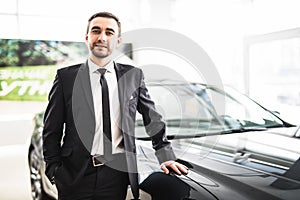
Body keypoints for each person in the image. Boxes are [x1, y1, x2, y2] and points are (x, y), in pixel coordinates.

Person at [42, 11, 188, 200]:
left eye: (109, 32)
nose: (102, 37)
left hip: (116, 177)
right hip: (74, 176)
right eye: (96, 31)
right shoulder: (66, 77)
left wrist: (165, 155)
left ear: (118, 40)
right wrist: (54, 169)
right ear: (87, 37)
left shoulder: (133, 76)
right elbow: (51, 129)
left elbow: (152, 117)